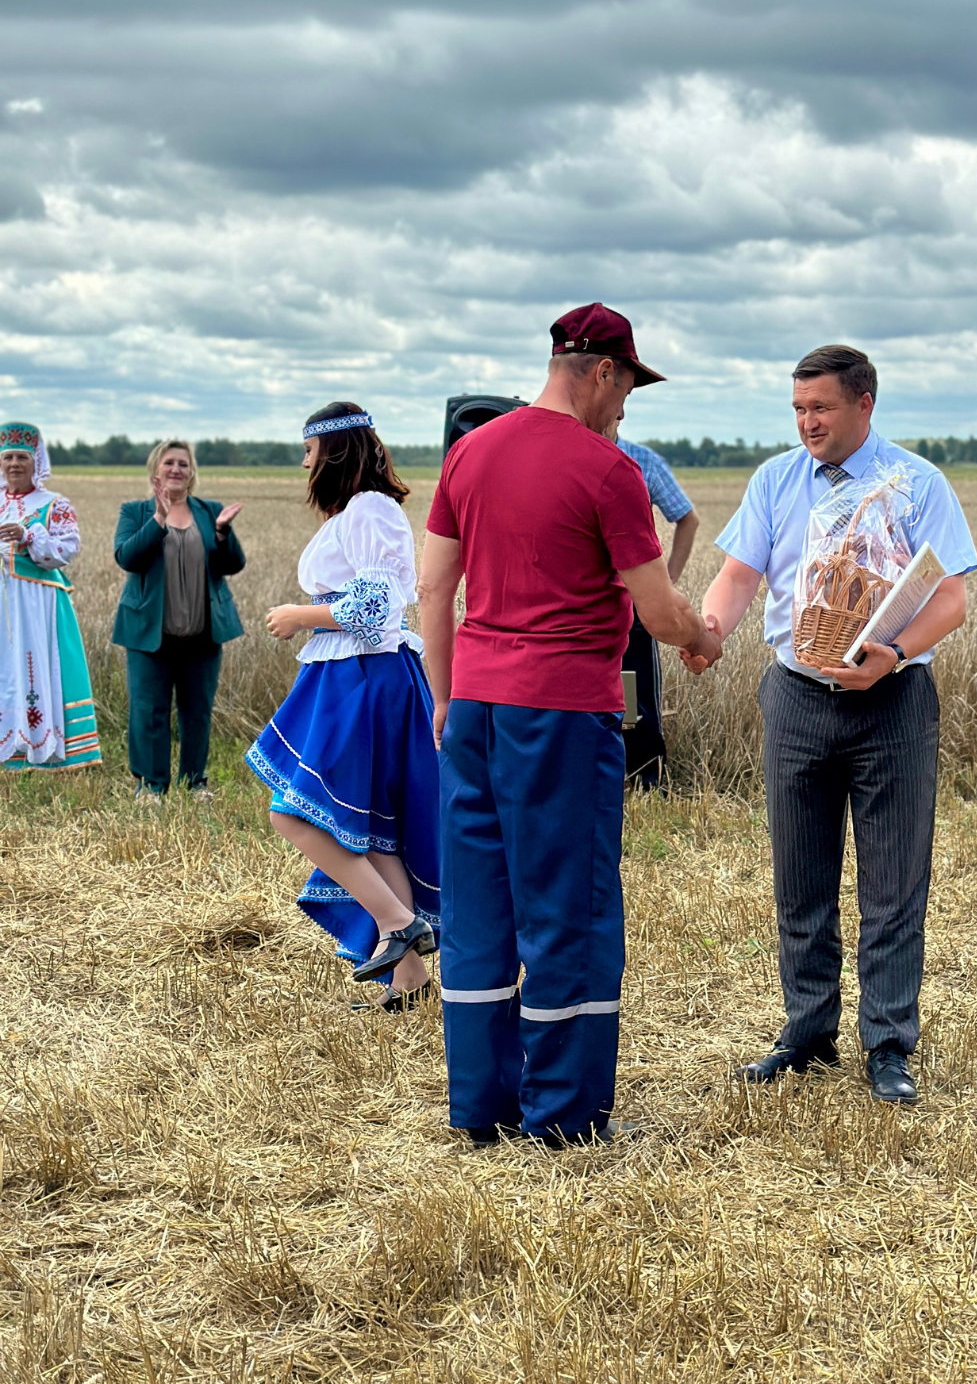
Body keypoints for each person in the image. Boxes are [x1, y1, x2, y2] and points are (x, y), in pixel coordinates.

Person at [419, 303, 722, 1148]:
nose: (624, 412)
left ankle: (481, 1108)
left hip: (474, 706)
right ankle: (563, 1117)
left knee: (479, 908)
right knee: (569, 910)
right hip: (560, 712)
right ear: (601, 373)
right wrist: (704, 637)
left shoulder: (470, 452)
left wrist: (444, 698)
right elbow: (658, 613)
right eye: (625, 392)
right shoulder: (607, 470)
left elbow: (433, 589)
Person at [701, 345, 977, 1105]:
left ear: (865, 403)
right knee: (801, 879)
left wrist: (893, 653)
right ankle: (807, 1033)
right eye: (797, 409)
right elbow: (737, 575)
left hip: (891, 703)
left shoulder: (916, 486)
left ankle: (889, 1046)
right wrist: (711, 632)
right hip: (795, 697)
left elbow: (951, 598)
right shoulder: (775, 481)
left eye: (820, 408)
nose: (807, 423)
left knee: (893, 884)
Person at [245, 403, 441, 1013]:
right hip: (354, 673)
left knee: (295, 813)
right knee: (371, 825)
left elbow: (374, 609)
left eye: (308, 450)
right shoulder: (359, 512)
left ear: (333, 451)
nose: (303, 462)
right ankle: (407, 981)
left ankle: (398, 922)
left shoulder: (370, 510)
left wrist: (298, 615)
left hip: (365, 675)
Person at [112, 440, 245, 801]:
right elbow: (127, 557)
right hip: (148, 632)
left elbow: (232, 565)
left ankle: (194, 782)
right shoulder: (136, 512)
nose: (176, 469)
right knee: (147, 711)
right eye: (169, 463)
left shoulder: (209, 511)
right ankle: (151, 785)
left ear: (192, 472)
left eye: (183, 464)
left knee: (197, 711)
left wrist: (221, 532)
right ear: (156, 469)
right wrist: (158, 518)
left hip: (202, 633)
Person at [0, 422, 102, 773]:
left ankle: (39, 746)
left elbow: (65, 551)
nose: (14, 464)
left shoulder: (53, 504)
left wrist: (28, 535)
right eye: (8, 457)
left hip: (36, 601)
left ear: (36, 461)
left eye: (22, 457)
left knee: (31, 662)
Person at [608, 425, 699, 788]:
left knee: (638, 697)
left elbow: (687, 518)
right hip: (582, 604)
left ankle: (647, 780)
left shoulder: (643, 461)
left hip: (633, 603)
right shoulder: (566, 455)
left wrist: (666, 583)